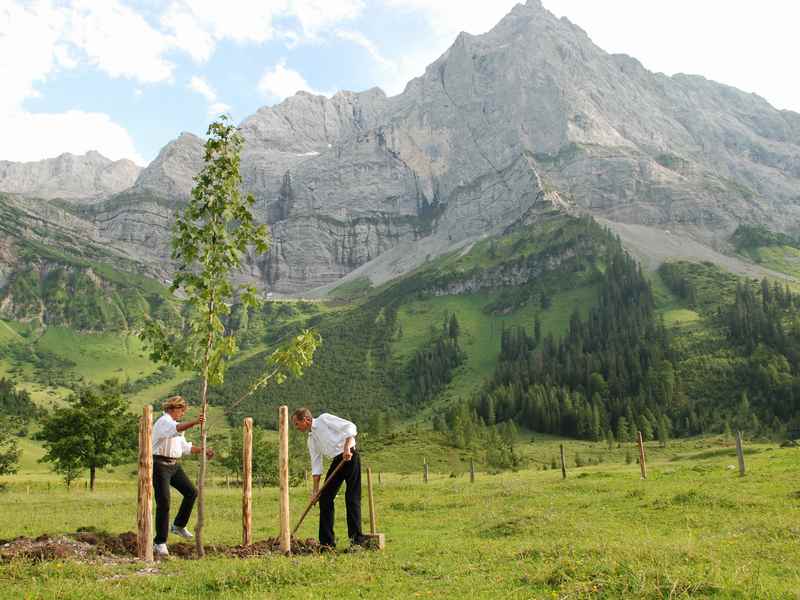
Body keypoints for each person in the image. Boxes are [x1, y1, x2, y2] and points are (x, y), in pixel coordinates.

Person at [291, 408, 366, 550]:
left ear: (306, 420)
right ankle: (327, 543)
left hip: (350, 456)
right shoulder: (311, 440)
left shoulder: (324, 420)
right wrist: (315, 492)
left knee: (352, 498)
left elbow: (350, 427)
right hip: (337, 461)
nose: (296, 427)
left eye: (296, 423)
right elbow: (316, 465)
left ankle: (357, 542)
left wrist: (347, 447)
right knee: (325, 498)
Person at [151, 395, 213, 557]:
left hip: (174, 465)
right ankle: (160, 542)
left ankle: (178, 525)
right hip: (160, 465)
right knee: (164, 502)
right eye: (181, 410)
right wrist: (195, 422)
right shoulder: (164, 422)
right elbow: (176, 429)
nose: (183, 413)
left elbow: (184, 447)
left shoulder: (176, 425)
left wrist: (203, 450)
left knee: (191, 492)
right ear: (172, 409)